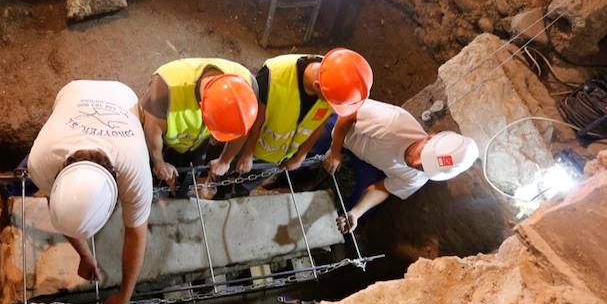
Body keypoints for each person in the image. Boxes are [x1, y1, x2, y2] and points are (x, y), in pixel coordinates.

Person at [27, 79, 152, 304]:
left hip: (123, 94)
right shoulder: (40, 162)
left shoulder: (136, 175)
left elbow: (136, 234)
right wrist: (84, 255)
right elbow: (61, 210)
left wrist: (125, 296)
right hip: (73, 91)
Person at [318, 99, 478, 233]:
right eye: (422, 155)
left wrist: (356, 212)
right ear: (429, 138)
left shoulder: (418, 177)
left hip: (365, 157)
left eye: (423, 167)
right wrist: (335, 151)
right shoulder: (393, 123)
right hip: (343, 130)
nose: (415, 163)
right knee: (313, 139)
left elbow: (384, 188)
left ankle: (335, 226)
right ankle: (301, 170)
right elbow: (349, 113)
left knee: (364, 205)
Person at [236, 48, 373, 173]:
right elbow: (253, 120)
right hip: (254, 148)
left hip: (282, 156)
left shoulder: (334, 83)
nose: (332, 107)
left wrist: (301, 156)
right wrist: (247, 153)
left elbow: (318, 124)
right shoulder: (274, 76)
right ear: (317, 86)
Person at [141, 58, 259, 194]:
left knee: (191, 172)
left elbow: (241, 130)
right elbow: (152, 131)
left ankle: (181, 191)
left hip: (199, 141)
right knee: (157, 175)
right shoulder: (165, 87)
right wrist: (159, 162)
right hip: (168, 143)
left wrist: (225, 161)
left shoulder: (248, 87)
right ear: (201, 107)